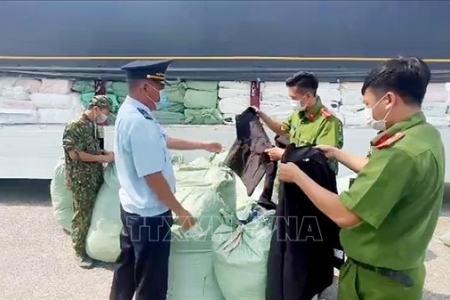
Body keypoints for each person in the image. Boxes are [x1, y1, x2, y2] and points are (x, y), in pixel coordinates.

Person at [277, 57, 445, 299]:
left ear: (388, 100)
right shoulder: (423, 136)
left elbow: (345, 214)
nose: (367, 112)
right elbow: (379, 171)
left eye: (368, 104)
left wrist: (298, 176)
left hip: (376, 282)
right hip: (400, 271)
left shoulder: (399, 153)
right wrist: (337, 153)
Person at [109, 60, 223, 300]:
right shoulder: (140, 123)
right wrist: (180, 210)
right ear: (145, 88)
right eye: (159, 88)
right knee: (152, 279)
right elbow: (153, 177)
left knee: (127, 267)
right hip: (150, 215)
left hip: (131, 208)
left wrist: (202, 145)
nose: (162, 94)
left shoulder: (132, 112)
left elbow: (164, 140)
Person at [252, 71, 343, 173]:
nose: (292, 101)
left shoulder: (327, 121)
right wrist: (262, 115)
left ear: (307, 96)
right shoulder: (299, 113)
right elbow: (282, 129)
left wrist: (284, 154)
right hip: (296, 175)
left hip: (315, 181)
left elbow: (323, 156)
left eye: (294, 98)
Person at [62, 95, 114, 269]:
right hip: (81, 179)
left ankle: (92, 248)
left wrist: (108, 154)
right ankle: (79, 251)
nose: (104, 117)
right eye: (104, 112)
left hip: (94, 176)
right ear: (96, 108)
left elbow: (96, 147)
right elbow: (75, 155)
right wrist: (101, 159)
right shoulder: (74, 126)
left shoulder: (93, 125)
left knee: (94, 212)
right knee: (82, 214)